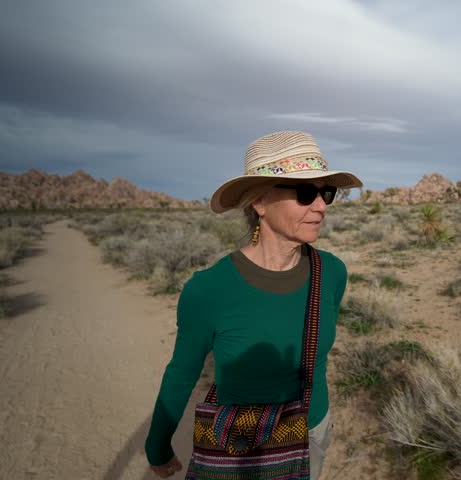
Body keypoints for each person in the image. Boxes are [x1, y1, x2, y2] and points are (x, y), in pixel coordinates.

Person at [144, 131, 363, 479]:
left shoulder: (332, 273)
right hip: (240, 447)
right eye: (306, 193)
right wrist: (156, 446)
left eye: (326, 193)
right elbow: (182, 372)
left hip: (311, 434)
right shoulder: (208, 290)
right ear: (259, 203)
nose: (321, 206)